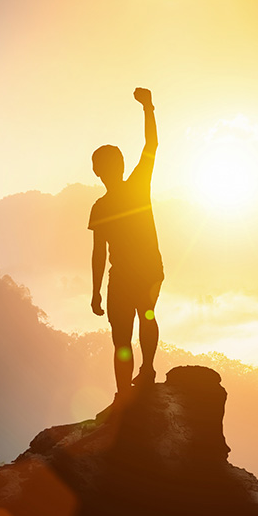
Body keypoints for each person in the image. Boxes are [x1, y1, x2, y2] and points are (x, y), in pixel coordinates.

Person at [89, 87, 164, 396]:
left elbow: (98, 254)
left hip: (133, 274)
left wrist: (96, 293)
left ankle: (130, 388)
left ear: (97, 171)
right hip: (141, 272)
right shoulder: (134, 188)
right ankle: (140, 377)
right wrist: (147, 108)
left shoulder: (105, 204)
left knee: (125, 334)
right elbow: (151, 145)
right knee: (143, 320)